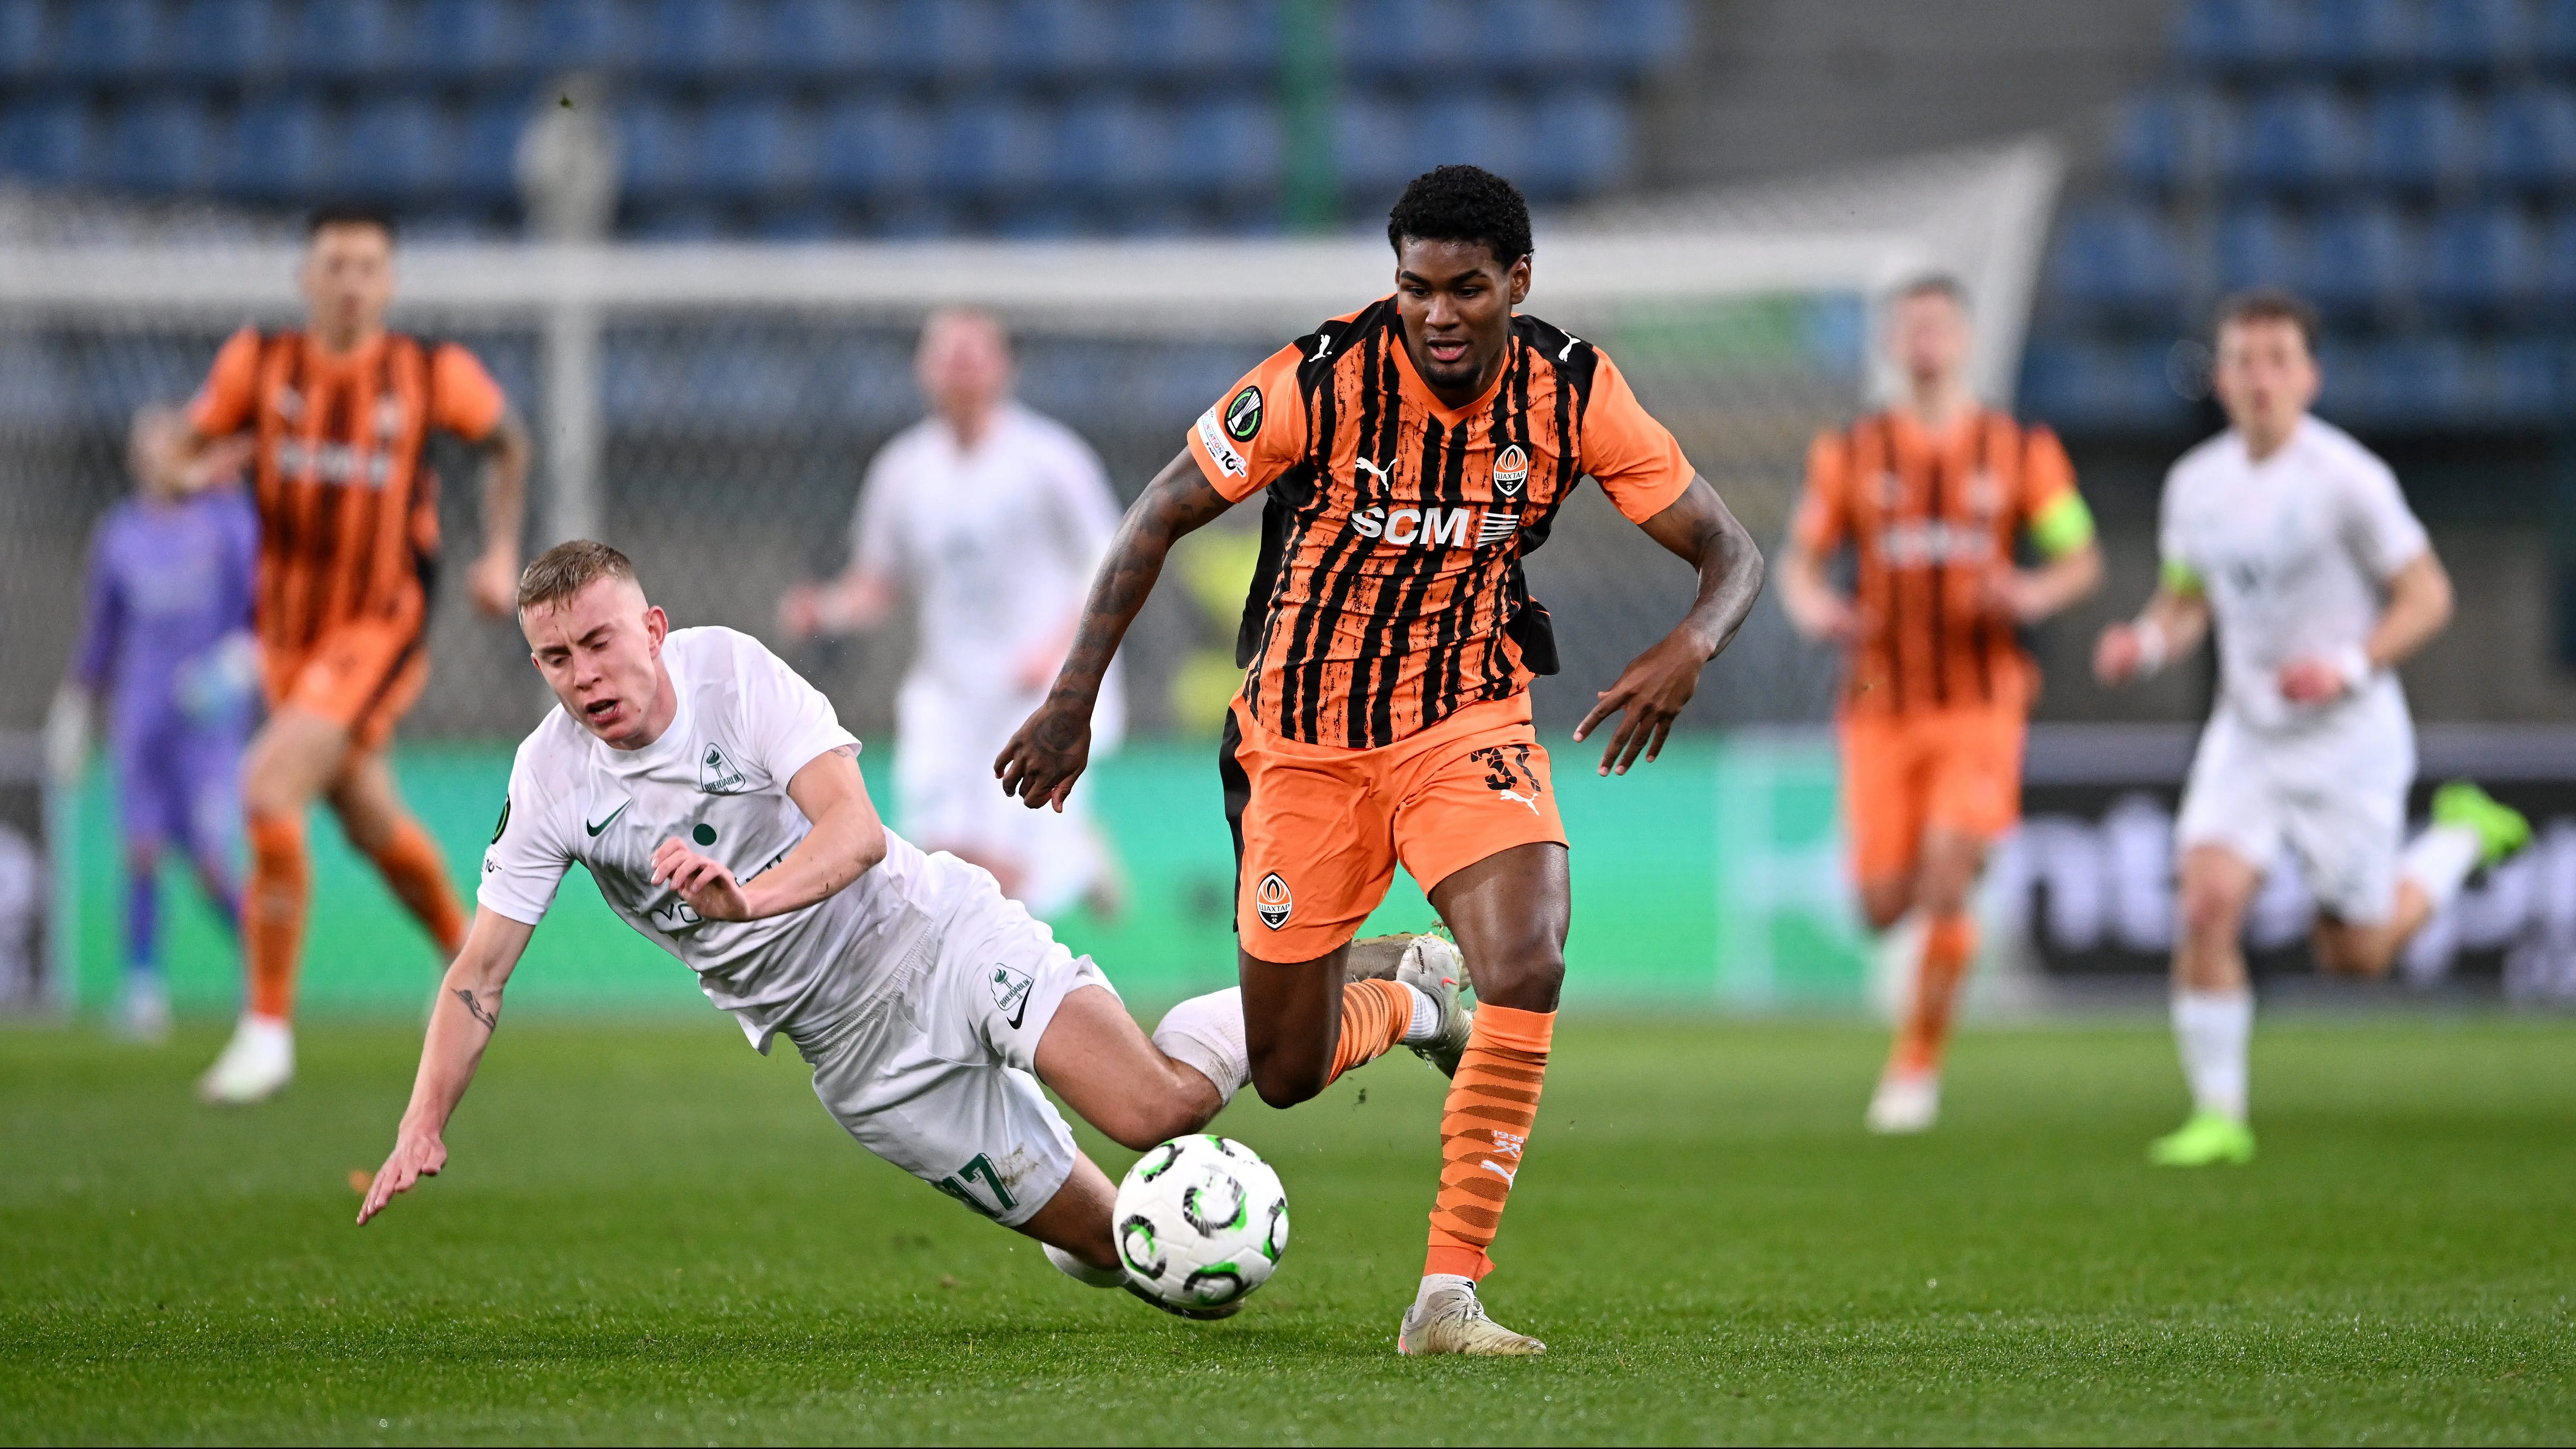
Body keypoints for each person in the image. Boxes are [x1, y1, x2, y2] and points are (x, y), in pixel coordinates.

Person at [994, 166, 1766, 1354]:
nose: (1439, 314)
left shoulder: (1573, 392)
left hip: (1469, 720)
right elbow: (1159, 512)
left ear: (1518, 282)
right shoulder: (1322, 379)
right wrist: (1071, 701)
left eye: (1467, 289)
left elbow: (1730, 549)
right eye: (1417, 288)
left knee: (1530, 957)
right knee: (1293, 1066)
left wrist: (1692, 642)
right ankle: (1413, 990)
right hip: (1301, 750)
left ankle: (1446, 1295)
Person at [357, 541, 1471, 1317]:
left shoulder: (733, 676)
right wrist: (422, 1122)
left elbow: (853, 832)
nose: (584, 677)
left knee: (1159, 1110)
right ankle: (1057, 1165)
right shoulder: (550, 779)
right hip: (859, 1061)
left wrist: (745, 900)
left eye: (600, 642)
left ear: (649, 626)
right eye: (556, 660)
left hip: (934, 938)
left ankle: (1405, 992)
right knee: (1144, 1261)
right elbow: (480, 972)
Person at [2093, 289, 2530, 1167]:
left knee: (2356, 954)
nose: (2260, 377)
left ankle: (2458, 836)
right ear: (2219, 377)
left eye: (2278, 359)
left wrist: (2349, 666)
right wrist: (2143, 642)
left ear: (2310, 376)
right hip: (2249, 733)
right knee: (2208, 901)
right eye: (2244, 359)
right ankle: (2220, 1115)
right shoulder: (2197, 485)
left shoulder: (2350, 481)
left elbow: (2429, 595)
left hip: (2347, 739)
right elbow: (2188, 600)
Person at [146, 202, 532, 1103]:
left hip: (379, 626)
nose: (352, 282)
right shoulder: (262, 362)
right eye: (335, 265)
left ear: (389, 282)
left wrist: (499, 550)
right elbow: (179, 451)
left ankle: (267, 1029)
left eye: (368, 266)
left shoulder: (429, 371)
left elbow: (509, 440)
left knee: (268, 787)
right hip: (286, 633)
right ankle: (471, 968)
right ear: (306, 278)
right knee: (366, 817)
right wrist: (185, 472)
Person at [1778, 275, 2104, 1134]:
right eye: (1910, 326)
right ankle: (1957, 860)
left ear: (1962, 338)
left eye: (1939, 325)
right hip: (1882, 701)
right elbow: (1801, 566)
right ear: (1892, 343)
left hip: (1982, 697)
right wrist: (1817, 609)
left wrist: (2032, 592)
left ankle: (1915, 1065)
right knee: (1885, 903)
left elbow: (2078, 558)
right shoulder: (1851, 452)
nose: (1925, 341)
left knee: (1947, 873)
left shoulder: (2019, 449)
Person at [779, 311, 1126, 920]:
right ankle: (1074, 856)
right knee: (941, 859)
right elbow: (877, 581)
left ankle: (1060, 877)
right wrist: (826, 609)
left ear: (1004, 367)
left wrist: (1056, 652)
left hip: (1034, 689)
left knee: (1005, 877)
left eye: (975, 354)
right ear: (924, 370)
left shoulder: (1051, 459)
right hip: (948, 690)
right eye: (948, 355)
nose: (961, 368)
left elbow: (1109, 562)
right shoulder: (903, 469)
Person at [46, 406, 261, 1040]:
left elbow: (260, 612)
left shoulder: (227, 524)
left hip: (207, 720)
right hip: (140, 717)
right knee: (139, 852)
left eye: (169, 443)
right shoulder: (120, 534)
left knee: (210, 861)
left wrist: (237, 665)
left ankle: (264, 965)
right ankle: (143, 988)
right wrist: (77, 704)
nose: (157, 456)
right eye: (146, 445)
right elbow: (103, 631)